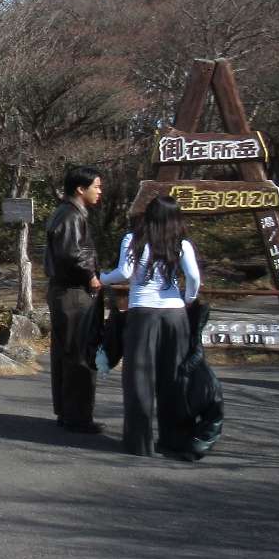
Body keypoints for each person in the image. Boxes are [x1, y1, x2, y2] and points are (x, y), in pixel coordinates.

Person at [100, 194, 202, 457]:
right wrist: (188, 299)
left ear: (148, 215)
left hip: (142, 313)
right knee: (174, 378)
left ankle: (139, 442)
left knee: (139, 378)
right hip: (174, 314)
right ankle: (175, 439)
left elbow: (123, 272)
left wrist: (102, 278)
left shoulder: (133, 239)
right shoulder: (182, 243)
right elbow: (192, 276)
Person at [43, 165, 104, 433]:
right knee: (80, 355)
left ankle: (68, 412)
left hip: (64, 293)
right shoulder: (70, 214)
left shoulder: (66, 213)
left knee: (66, 353)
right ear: (81, 189)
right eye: (96, 186)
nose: (100, 191)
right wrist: (91, 275)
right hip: (74, 294)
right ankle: (77, 417)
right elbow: (71, 254)